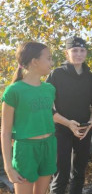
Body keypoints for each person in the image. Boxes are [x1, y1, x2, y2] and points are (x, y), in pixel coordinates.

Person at [46, 37, 92, 194]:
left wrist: (91, 122)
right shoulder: (56, 74)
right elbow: (47, 107)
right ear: (66, 53)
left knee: (79, 172)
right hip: (61, 129)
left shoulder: (90, 77)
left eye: (82, 50)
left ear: (86, 53)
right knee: (61, 174)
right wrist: (68, 123)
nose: (79, 54)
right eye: (74, 50)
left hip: (84, 129)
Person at [1, 42, 56, 194]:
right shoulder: (14, 91)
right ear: (34, 61)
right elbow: (5, 132)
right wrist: (8, 167)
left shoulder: (50, 89)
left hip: (49, 146)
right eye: (49, 58)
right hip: (26, 150)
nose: (52, 63)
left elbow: (50, 116)